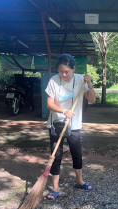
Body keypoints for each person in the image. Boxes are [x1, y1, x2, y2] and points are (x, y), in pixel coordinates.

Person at [45, 53, 96, 200]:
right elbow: (49, 104)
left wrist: (90, 84)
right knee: (56, 155)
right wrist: (63, 111)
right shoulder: (54, 81)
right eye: (61, 71)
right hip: (57, 124)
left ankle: (79, 181)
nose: (64, 74)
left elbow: (92, 99)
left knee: (76, 153)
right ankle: (55, 188)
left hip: (74, 125)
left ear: (74, 69)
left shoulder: (80, 80)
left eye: (67, 71)